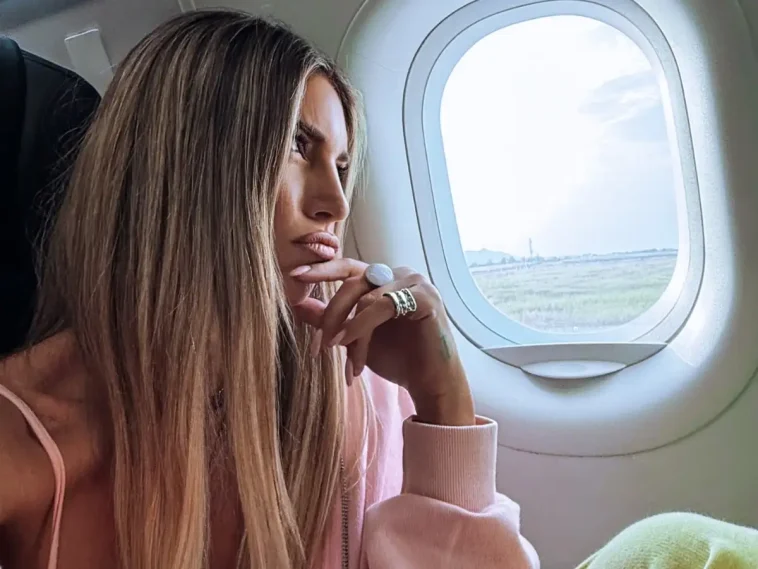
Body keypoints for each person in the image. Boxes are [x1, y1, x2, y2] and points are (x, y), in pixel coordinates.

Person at [2, 10, 758, 569]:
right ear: (185, 161)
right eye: (297, 144)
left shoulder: (355, 383)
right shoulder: (25, 447)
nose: (335, 202)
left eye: (342, 165)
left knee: (689, 547)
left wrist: (442, 397)